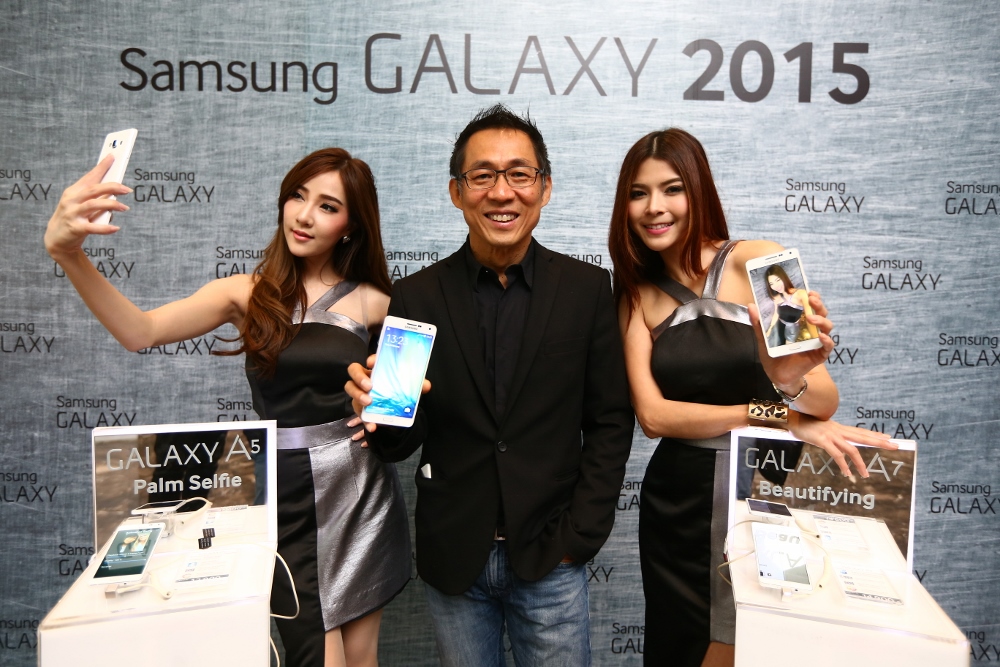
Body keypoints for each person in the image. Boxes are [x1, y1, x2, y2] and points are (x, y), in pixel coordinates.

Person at [44, 148, 411, 667]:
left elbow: (398, 414)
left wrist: (383, 406)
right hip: (283, 495)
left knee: (360, 656)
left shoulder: (376, 301)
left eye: (328, 206)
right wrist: (69, 254)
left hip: (358, 487)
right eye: (298, 196)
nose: (305, 215)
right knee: (319, 656)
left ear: (351, 226)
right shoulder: (246, 293)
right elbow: (139, 331)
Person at [346, 104, 634, 667]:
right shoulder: (417, 296)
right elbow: (399, 440)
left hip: (551, 554)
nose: (502, 192)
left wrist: (579, 536)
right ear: (457, 192)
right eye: (482, 176)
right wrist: (378, 414)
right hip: (455, 552)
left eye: (519, 174)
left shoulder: (586, 289)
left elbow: (609, 420)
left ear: (544, 187)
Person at [607, 128, 895, 667]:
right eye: (638, 193)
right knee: (681, 648)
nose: (654, 207)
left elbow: (823, 400)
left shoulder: (765, 264)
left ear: (698, 190)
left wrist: (788, 379)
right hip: (679, 502)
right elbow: (654, 416)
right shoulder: (634, 294)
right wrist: (777, 416)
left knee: (763, 641)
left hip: (769, 488)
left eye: (672, 189)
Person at [763, 264, 812, 346]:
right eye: (771, 284)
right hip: (780, 324)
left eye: (778, 280)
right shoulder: (777, 297)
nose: (776, 286)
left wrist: (816, 338)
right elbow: (776, 313)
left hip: (792, 329)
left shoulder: (800, 294)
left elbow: (811, 319)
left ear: (783, 277)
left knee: (788, 346)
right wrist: (770, 328)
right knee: (780, 342)